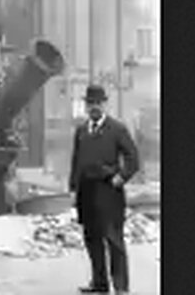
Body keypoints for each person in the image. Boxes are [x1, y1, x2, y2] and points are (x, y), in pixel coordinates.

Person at [70, 84, 141, 294]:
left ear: (104, 104)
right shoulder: (82, 131)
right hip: (87, 192)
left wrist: (121, 177)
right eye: (90, 103)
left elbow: (133, 158)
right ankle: (100, 284)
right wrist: (74, 189)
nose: (94, 107)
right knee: (92, 238)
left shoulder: (117, 129)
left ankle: (121, 287)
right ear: (86, 105)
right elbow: (76, 162)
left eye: (98, 103)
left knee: (113, 239)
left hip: (109, 191)